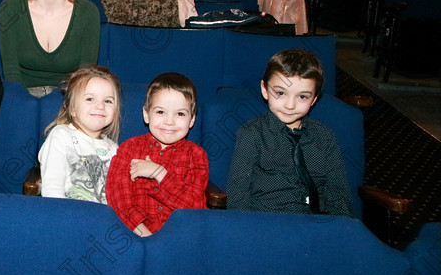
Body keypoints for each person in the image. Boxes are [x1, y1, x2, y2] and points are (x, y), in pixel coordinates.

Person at [226, 49, 352, 217]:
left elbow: (339, 193)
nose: (290, 105)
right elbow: (238, 194)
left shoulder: (325, 137)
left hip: (315, 223)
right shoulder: (252, 134)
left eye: (302, 97)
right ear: (264, 89)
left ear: (314, 99)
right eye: (280, 93)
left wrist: (339, 230)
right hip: (267, 221)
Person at [106, 72, 208, 236]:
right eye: (160, 112)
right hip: (134, 234)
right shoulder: (129, 148)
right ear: (147, 114)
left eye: (180, 114)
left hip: (181, 236)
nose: (169, 121)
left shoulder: (196, 155)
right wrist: (143, 233)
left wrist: (159, 173)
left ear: (192, 120)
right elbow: (118, 198)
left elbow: (195, 206)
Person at [38, 66, 121, 203]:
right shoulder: (61, 135)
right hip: (68, 216)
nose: (100, 106)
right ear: (71, 108)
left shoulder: (115, 149)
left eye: (108, 101)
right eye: (90, 99)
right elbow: (52, 189)